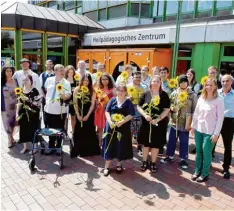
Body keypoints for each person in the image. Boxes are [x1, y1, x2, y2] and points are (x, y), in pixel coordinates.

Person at [191, 77, 224, 182]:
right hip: (199, 129)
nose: (208, 87)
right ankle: (197, 171)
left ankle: (205, 174)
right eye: (207, 85)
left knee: (206, 152)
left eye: (211, 85)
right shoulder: (201, 98)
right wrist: (193, 126)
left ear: (215, 87)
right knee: (198, 152)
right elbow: (196, 113)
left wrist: (216, 134)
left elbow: (220, 119)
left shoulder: (219, 100)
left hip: (210, 132)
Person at [161, 75, 197, 169]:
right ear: (178, 83)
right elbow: (170, 105)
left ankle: (183, 159)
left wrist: (192, 122)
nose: (183, 83)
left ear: (188, 83)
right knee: (172, 140)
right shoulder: (174, 93)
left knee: (184, 141)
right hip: (174, 121)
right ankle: (170, 156)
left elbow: (195, 109)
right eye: (181, 82)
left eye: (185, 82)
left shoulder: (192, 95)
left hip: (186, 122)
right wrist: (172, 108)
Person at [137, 76, 170, 173]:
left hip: (158, 124)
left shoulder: (164, 95)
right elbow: (139, 106)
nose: (155, 83)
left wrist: (158, 119)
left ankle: (153, 162)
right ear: (150, 82)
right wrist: (145, 114)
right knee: (146, 143)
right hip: (146, 123)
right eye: (154, 81)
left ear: (160, 83)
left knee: (155, 144)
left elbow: (166, 109)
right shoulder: (145, 93)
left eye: (157, 81)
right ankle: (144, 161)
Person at [102, 85, 135, 176]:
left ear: (125, 92)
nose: (120, 92)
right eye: (119, 90)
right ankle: (107, 166)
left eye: (122, 91)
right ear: (116, 91)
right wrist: (109, 121)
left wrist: (121, 122)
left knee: (121, 145)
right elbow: (107, 111)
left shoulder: (128, 102)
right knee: (109, 145)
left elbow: (131, 114)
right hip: (111, 127)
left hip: (123, 128)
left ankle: (119, 164)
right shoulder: (112, 100)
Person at [44, 64, 71, 155]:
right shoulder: (48, 80)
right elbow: (46, 91)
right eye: (60, 70)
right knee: (50, 129)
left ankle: (59, 147)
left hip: (60, 110)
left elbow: (68, 95)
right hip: (49, 109)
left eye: (63, 70)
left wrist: (64, 96)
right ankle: (51, 147)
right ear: (55, 71)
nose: (62, 72)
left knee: (59, 129)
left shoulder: (66, 83)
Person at [72, 73, 100, 157]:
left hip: (89, 114)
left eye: (87, 80)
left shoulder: (92, 90)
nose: (86, 82)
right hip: (79, 113)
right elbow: (75, 103)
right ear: (81, 80)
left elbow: (92, 105)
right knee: (79, 130)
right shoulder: (77, 89)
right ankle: (78, 149)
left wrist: (87, 115)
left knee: (89, 130)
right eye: (84, 80)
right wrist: (77, 115)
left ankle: (88, 150)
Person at [16, 75, 41, 154]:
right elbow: (19, 103)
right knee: (23, 130)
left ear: (31, 81)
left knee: (33, 129)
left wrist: (28, 100)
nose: (25, 81)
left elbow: (37, 103)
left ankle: (35, 147)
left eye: (27, 80)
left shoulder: (35, 90)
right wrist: (17, 113)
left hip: (33, 113)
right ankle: (25, 147)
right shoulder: (20, 90)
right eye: (23, 80)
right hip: (23, 113)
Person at [127, 71, 148, 154]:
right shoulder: (128, 86)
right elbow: (123, 96)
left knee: (140, 129)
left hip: (140, 109)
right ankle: (128, 146)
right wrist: (128, 97)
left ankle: (139, 147)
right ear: (133, 78)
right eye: (136, 77)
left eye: (139, 77)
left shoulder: (144, 87)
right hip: (130, 109)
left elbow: (147, 98)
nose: (138, 79)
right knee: (130, 129)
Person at [218, 75, 234, 179]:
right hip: (216, 120)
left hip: (228, 122)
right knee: (211, 143)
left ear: (231, 82)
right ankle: (207, 164)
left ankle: (226, 168)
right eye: (223, 81)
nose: (225, 83)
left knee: (227, 146)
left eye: (227, 81)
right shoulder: (216, 93)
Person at [94, 73, 116, 146]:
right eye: (103, 79)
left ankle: (107, 144)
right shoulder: (97, 89)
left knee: (109, 128)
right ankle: (100, 144)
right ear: (100, 80)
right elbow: (95, 99)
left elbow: (116, 100)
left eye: (106, 79)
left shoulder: (113, 89)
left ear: (109, 80)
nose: (104, 81)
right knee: (100, 129)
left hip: (109, 111)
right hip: (99, 110)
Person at [1, 66, 17, 148]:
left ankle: (12, 137)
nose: (9, 72)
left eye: (10, 71)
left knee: (13, 122)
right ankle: (9, 139)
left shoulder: (15, 81)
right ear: (4, 72)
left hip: (14, 106)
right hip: (4, 106)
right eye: (7, 71)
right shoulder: (1, 81)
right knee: (6, 123)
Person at [39, 60, 55, 128]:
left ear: (53, 65)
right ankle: (46, 127)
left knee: (53, 112)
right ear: (45, 65)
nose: (49, 65)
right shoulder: (42, 75)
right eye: (48, 64)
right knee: (45, 112)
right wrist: (45, 97)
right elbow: (40, 87)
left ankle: (53, 126)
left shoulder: (55, 74)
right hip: (45, 97)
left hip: (54, 98)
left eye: (50, 64)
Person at [65, 65, 77, 133]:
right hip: (66, 100)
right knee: (65, 118)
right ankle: (65, 132)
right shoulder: (64, 80)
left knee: (73, 117)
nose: (70, 74)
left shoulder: (76, 81)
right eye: (69, 72)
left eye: (72, 72)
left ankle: (73, 131)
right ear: (66, 73)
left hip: (74, 100)